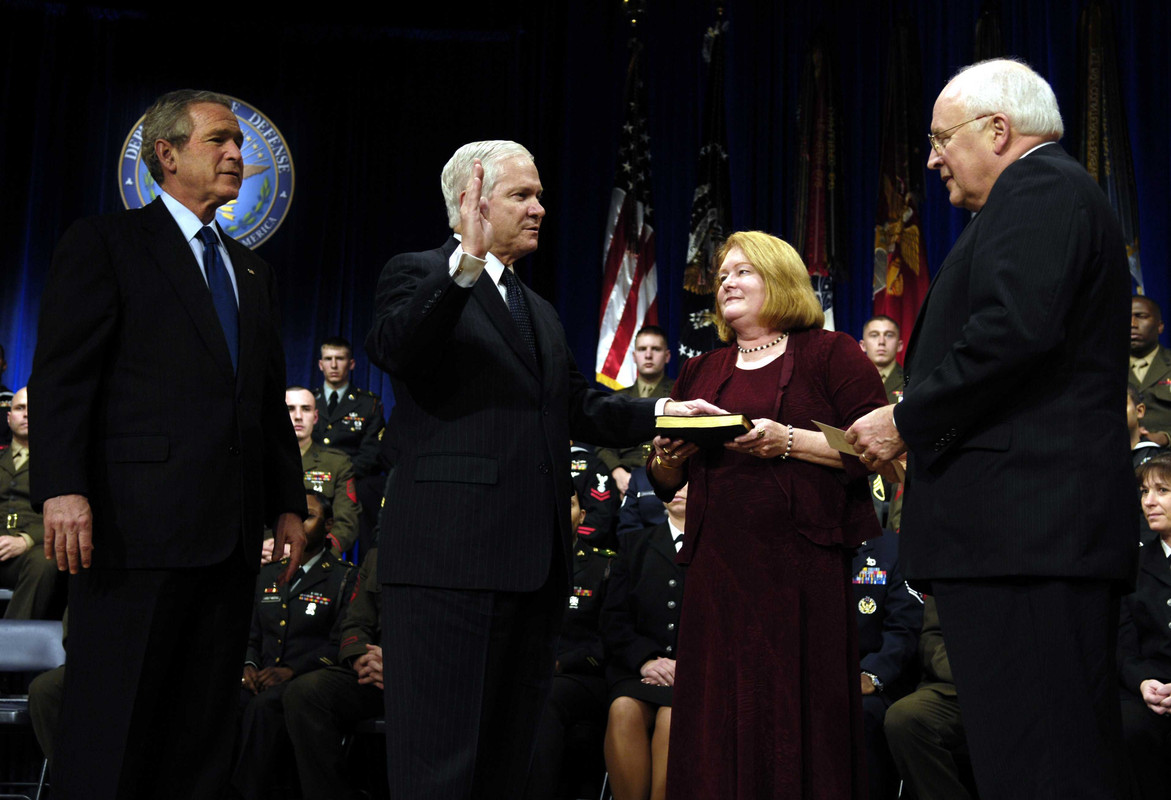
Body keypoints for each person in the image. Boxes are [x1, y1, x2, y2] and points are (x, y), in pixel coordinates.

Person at [363, 140, 717, 800]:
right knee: (440, 760)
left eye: (540, 195)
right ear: (471, 200)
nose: (539, 208)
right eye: (522, 195)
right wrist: (464, 262)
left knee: (506, 759)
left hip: (530, 568)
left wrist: (669, 411)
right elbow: (399, 349)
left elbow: (579, 406)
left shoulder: (539, 311)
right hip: (450, 564)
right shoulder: (416, 273)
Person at [847, 59, 1138, 799]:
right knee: (1031, 757)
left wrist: (906, 420)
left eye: (942, 138)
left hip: (1028, 542)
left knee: (1042, 763)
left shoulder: (1038, 189)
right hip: (1024, 541)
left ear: (998, 130)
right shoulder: (1042, 196)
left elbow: (1012, 332)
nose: (931, 157)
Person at [28, 89, 306, 798]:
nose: (237, 155)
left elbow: (262, 400)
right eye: (218, 140)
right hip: (132, 535)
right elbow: (63, 380)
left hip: (229, 540)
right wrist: (62, 488)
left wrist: (286, 501)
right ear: (166, 153)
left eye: (237, 143)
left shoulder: (251, 270)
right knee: (112, 724)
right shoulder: (106, 244)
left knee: (202, 734)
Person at [649, 230, 887, 799]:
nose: (726, 281)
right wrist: (665, 457)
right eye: (723, 273)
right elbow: (666, 482)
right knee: (714, 721)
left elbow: (874, 447)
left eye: (743, 271)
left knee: (797, 718)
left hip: (801, 576)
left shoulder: (832, 354)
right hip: (717, 573)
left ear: (780, 279)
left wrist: (788, 441)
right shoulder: (702, 368)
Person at [232, 491, 355, 800]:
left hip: (304, 679)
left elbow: (339, 644)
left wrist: (292, 670)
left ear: (328, 526)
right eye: (295, 518)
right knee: (230, 700)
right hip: (262, 677)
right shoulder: (268, 574)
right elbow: (251, 634)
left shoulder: (342, 578)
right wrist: (249, 665)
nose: (298, 525)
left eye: (309, 517)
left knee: (264, 708)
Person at [599, 484, 687, 800]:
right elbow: (613, 620)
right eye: (675, 481)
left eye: (689, 481)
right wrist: (646, 660)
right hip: (637, 671)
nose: (679, 488)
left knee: (671, 717)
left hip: (693, 677)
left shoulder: (722, 551)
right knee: (623, 708)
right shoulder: (633, 544)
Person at [525, 490, 614, 800]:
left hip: (583, 676)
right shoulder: (519, 565)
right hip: (527, 673)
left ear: (582, 515)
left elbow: (610, 640)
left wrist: (562, 662)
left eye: (570, 502)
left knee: (545, 696)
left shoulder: (602, 567)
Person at [283, 546, 386, 800]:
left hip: (423, 673)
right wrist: (359, 655)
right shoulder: (378, 555)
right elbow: (356, 623)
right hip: (371, 672)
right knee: (305, 692)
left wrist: (398, 664)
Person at [884, 598, 977, 800]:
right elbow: (933, 638)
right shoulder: (952, 566)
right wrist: (969, 675)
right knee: (904, 717)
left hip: (1023, 685)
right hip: (957, 684)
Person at [853, 533, 923, 800]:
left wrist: (872, 674)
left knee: (860, 713)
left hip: (878, 680)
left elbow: (904, 628)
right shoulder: (807, 544)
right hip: (819, 675)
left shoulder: (893, 548)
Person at [1119, 454, 1171, 799]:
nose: (1148, 501)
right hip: (1153, 685)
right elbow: (1122, 642)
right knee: (1126, 724)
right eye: (1144, 491)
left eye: (1162, 490)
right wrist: (1142, 682)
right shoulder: (1134, 563)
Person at [596, 325, 676, 496]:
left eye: (655, 349)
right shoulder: (617, 399)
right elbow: (601, 442)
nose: (648, 355)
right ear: (634, 356)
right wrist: (616, 471)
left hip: (667, 477)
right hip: (624, 478)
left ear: (667, 356)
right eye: (642, 349)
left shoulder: (679, 395)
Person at [0, 387, 59, 619]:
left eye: (31, 409)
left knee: (45, 562)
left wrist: (26, 540)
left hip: (32, 551)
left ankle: (8, 642)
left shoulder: (56, 465)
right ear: (8, 416)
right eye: (19, 408)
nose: (25, 414)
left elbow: (64, 513)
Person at [286, 387, 361, 554]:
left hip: (315, 560)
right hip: (265, 558)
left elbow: (346, 523)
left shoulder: (337, 463)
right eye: (290, 409)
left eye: (306, 409)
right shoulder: (261, 461)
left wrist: (318, 555)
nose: (298, 416)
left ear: (315, 417)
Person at [1130, 296, 1171, 446]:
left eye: (1140, 316)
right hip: (1121, 456)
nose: (1132, 324)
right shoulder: (1106, 368)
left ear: (1160, 326)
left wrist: (1166, 437)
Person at [859, 315, 904, 405]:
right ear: (863, 345)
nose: (881, 342)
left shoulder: (912, 381)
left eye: (889, 335)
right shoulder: (851, 381)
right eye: (874, 335)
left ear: (899, 346)